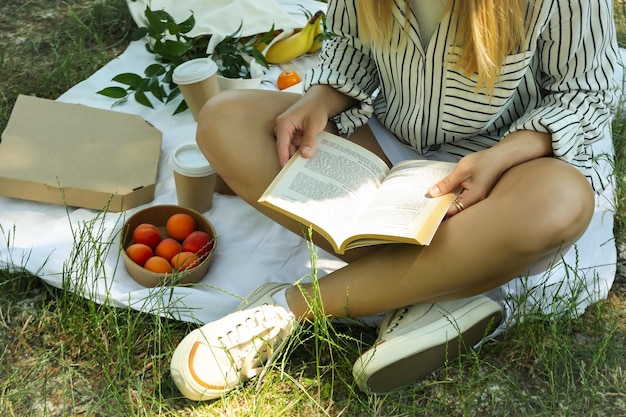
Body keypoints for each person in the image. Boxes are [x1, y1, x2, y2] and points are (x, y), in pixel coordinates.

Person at [169, 0, 620, 401]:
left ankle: (285, 309)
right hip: (391, 150)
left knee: (560, 202)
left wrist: (502, 156)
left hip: (509, 169)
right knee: (225, 119)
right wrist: (320, 100)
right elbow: (350, 45)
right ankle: (438, 292)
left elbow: (588, 90)